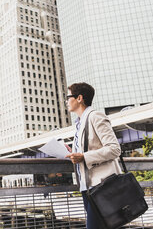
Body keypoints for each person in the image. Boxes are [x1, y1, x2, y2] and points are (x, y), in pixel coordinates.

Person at [65, 82, 122, 229]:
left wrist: (84, 157)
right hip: (87, 187)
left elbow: (114, 149)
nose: (66, 101)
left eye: (68, 97)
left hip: (101, 185)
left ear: (79, 98)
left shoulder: (95, 116)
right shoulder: (79, 123)